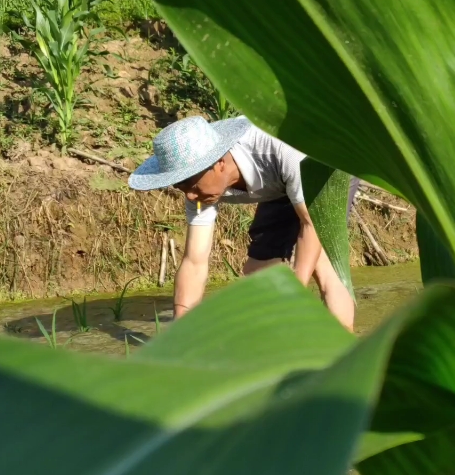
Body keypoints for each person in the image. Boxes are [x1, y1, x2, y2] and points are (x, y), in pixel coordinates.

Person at [128, 115, 356, 331]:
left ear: (218, 163)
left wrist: (296, 292)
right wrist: (181, 328)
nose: (189, 196)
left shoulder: (281, 150)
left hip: (322, 162)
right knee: (259, 270)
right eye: (180, 187)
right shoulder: (198, 190)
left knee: (323, 264)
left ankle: (343, 345)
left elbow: (311, 224)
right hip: (279, 185)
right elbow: (194, 261)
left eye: (191, 185)